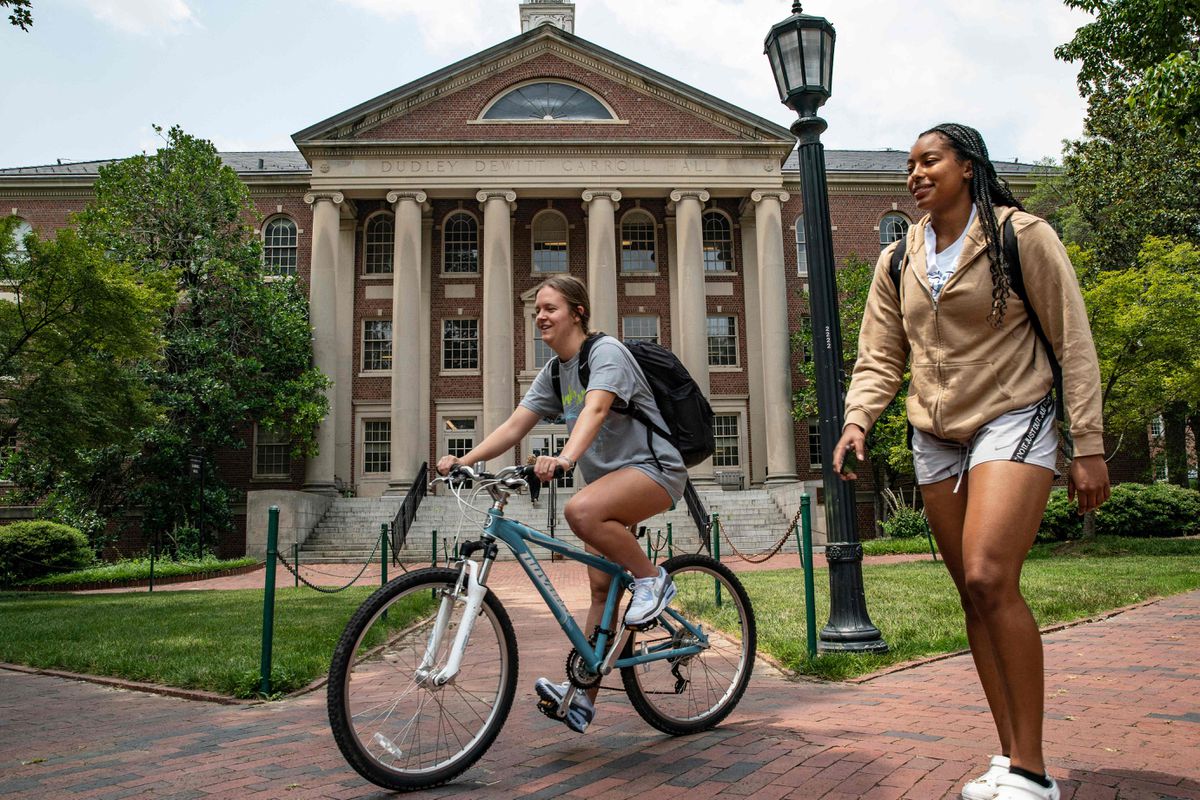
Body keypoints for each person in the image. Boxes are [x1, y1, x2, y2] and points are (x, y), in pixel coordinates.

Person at [833, 123, 1111, 800]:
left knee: (991, 578)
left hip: (1013, 412)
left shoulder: (1022, 235)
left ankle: (1032, 769)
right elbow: (880, 355)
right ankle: (1009, 754)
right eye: (909, 164)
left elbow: (1072, 340)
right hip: (936, 431)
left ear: (967, 166)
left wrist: (1090, 443)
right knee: (971, 597)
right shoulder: (898, 257)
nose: (915, 173)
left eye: (930, 160)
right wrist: (856, 418)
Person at [436, 274, 687, 734]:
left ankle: (653, 581)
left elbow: (594, 410)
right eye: (536, 311)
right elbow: (515, 425)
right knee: (599, 591)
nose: (541, 317)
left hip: (654, 471)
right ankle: (583, 701)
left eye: (550, 308)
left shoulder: (606, 353)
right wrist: (463, 460)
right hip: (610, 484)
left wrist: (567, 458)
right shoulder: (555, 371)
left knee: (580, 511)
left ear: (578, 312)